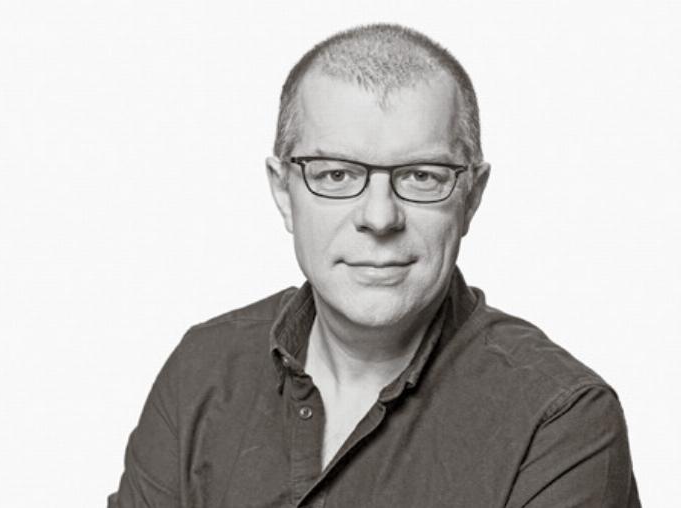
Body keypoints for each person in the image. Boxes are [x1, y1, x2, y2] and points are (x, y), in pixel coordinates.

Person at [109, 24, 640, 507]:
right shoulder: (202, 369)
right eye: (336, 175)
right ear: (283, 192)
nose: (380, 217)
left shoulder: (561, 419)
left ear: (472, 197)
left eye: (422, 176)